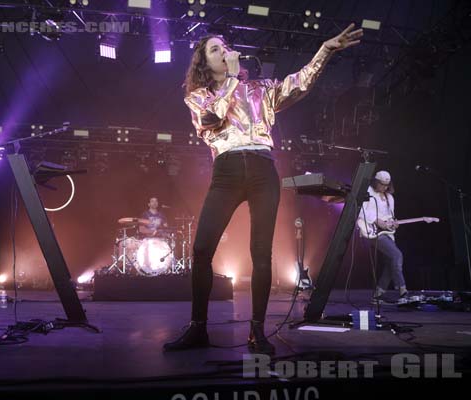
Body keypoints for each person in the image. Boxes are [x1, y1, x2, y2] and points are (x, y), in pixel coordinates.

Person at [163, 24, 363, 353]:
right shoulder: (199, 96)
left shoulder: (260, 90)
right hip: (226, 171)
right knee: (201, 250)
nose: (224, 51)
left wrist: (325, 49)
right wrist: (230, 80)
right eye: (215, 49)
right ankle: (198, 328)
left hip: (261, 169)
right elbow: (212, 118)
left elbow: (300, 83)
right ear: (203, 63)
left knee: (261, 254)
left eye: (225, 46)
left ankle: (257, 331)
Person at [357, 170, 409, 303]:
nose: (384, 187)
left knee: (390, 262)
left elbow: (390, 217)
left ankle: (378, 294)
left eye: (387, 185)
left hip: (386, 232)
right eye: (382, 184)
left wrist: (393, 224)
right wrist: (376, 220)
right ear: (376, 182)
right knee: (397, 255)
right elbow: (360, 211)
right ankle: (402, 290)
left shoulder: (390, 198)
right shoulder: (368, 191)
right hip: (373, 231)